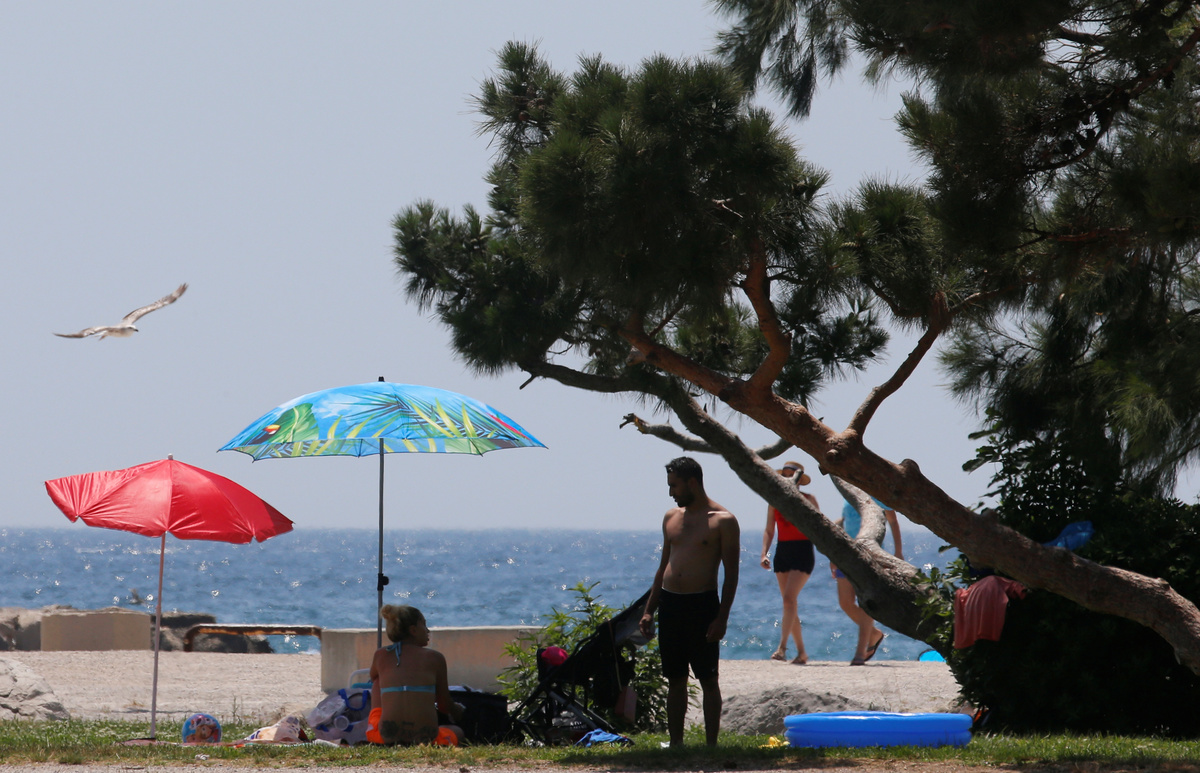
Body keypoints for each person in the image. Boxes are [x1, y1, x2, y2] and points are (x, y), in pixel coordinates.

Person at [639, 456, 740, 748]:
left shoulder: (723, 521)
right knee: (675, 678)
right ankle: (676, 744)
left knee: (708, 679)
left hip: (702, 605)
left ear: (692, 482)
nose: (671, 492)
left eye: (675, 486)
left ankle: (711, 746)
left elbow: (731, 575)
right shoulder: (671, 517)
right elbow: (663, 568)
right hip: (671, 604)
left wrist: (721, 618)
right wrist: (649, 611)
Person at [366, 604, 465, 746]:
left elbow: (373, 677)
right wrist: (457, 711)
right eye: (424, 625)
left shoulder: (381, 655)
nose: (428, 630)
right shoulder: (435, 658)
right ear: (413, 630)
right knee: (457, 731)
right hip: (427, 740)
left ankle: (380, 730)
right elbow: (444, 705)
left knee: (377, 680)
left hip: (385, 738)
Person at [831, 495, 904, 665]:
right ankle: (874, 634)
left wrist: (898, 552)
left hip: (871, 555)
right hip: (846, 554)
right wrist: (832, 553)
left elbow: (893, 522)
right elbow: (844, 522)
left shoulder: (878, 495)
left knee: (865, 604)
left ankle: (860, 652)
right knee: (845, 603)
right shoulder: (848, 496)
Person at [759, 460, 817, 664]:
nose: (787, 478)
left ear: (798, 479)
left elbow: (819, 527)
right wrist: (764, 554)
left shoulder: (808, 499)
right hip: (783, 551)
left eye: (790, 475)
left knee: (788, 600)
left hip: (803, 551)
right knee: (789, 604)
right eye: (783, 475)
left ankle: (782, 648)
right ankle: (801, 653)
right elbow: (769, 530)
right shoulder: (774, 501)